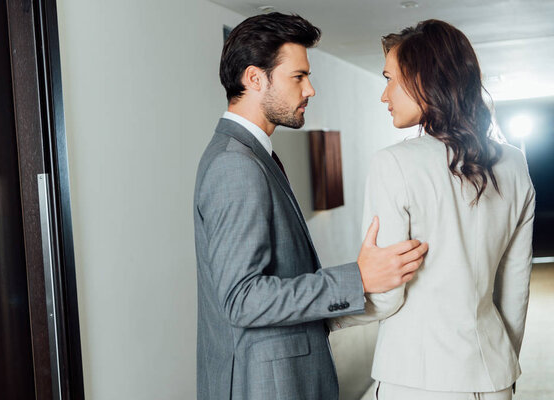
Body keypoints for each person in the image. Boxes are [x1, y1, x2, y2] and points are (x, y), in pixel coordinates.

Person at [193, 12, 428, 400]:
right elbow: (242, 299)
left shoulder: (251, 156)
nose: (310, 90)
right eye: (298, 77)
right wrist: (359, 278)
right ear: (255, 79)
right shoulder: (234, 164)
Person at [333, 19, 535, 400]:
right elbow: (515, 288)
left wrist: (321, 315)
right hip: (493, 376)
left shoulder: (393, 164)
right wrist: (499, 364)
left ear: (422, 80)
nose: (383, 95)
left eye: (389, 78)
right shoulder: (515, 164)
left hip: (417, 379)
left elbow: (388, 294)